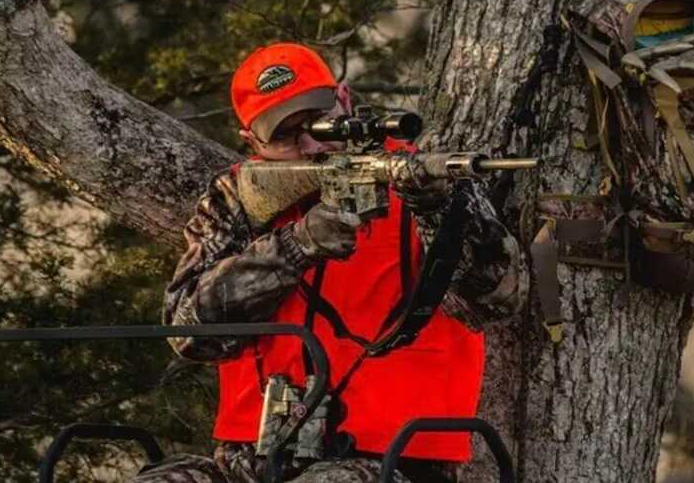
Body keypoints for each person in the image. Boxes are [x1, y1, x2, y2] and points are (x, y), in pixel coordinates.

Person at [132, 43, 523, 483]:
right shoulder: (238, 199)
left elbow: (498, 299)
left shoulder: (420, 179)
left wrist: (441, 210)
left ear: (344, 98)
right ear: (251, 141)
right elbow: (189, 335)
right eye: (286, 135)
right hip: (245, 463)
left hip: (391, 460)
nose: (311, 143)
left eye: (320, 121)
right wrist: (296, 246)